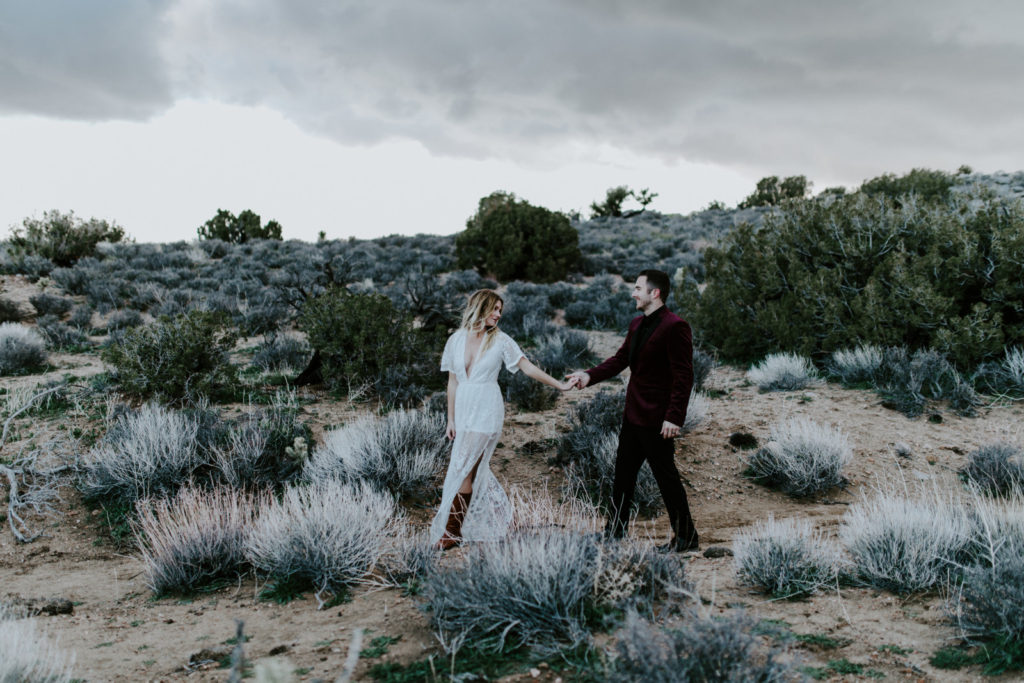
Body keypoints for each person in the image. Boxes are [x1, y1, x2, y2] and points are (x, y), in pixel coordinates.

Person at [566, 269, 699, 552]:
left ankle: (687, 538)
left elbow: (684, 376)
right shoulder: (637, 324)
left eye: (638, 288)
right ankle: (615, 531)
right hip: (633, 415)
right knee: (623, 476)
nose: (633, 293)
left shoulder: (676, 326)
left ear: (655, 293)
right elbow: (619, 360)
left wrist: (674, 416)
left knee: (666, 478)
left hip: (658, 420)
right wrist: (588, 376)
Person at [430, 289, 574, 550]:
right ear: (480, 307)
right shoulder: (455, 340)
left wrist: (560, 386)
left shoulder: (501, 340)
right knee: (471, 471)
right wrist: (450, 419)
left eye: (500, 310)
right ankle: (500, 520)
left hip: (486, 410)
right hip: (463, 410)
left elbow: (527, 367)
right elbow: (452, 382)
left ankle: (452, 532)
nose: (498, 315)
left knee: (463, 468)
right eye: (494, 309)